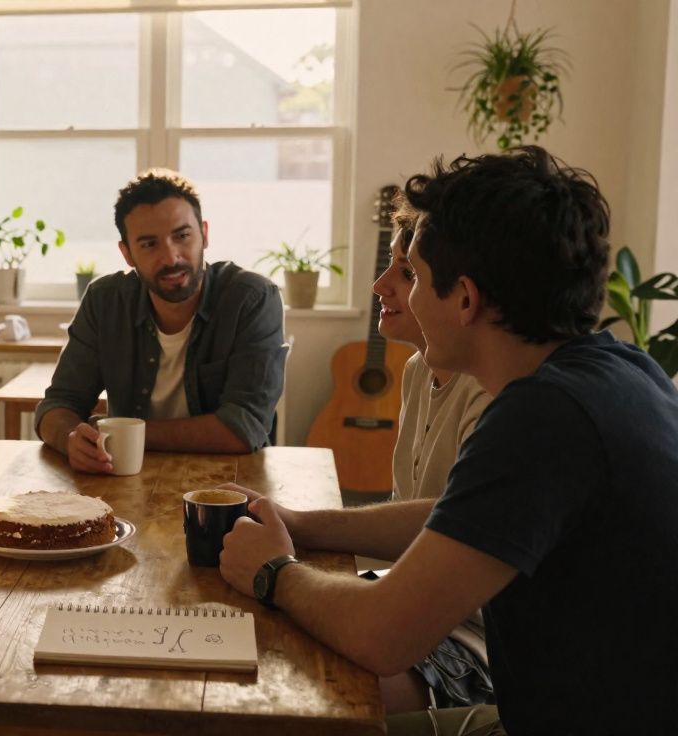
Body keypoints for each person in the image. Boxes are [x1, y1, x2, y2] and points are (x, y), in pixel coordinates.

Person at [218, 146, 678, 734]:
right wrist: (305, 524)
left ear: (464, 299)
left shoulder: (544, 417)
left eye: (415, 277)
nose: (402, 296)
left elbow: (381, 635)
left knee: (278, 713)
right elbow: (460, 519)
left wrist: (274, 571)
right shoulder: (619, 372)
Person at [36, 169, 287, 473]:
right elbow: (57, 405)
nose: (171, 258)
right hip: (124, 478)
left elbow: (244, 427)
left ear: (204, 234)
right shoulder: (105, 301)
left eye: (182, 236)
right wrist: (71, 438)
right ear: (126, 253)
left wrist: (121, 434)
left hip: (230, 488)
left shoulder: (252, 299)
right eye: (149, 244)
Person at [373, 216, 494, 712]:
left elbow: (448, 528)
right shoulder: (417, 369)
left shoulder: (495, 392)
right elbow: (412, 517)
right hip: (423, 603)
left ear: (463, 295)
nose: (381, 286)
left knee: (319, 687)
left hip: (479, 643)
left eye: (408, 275)